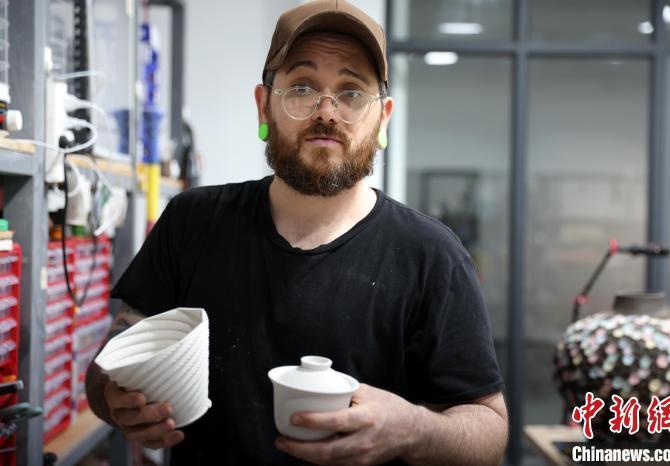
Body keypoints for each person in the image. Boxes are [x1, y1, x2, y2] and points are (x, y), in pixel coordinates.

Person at [86, 1, 508, 464]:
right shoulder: (192, 222)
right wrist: (115, 398)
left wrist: (414, 429)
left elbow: (489, 429)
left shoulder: (432, 256)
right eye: (303, 88)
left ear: (383, 117)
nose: (326, 112)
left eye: (351, 92)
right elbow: (108, 366)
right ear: (264, 105)